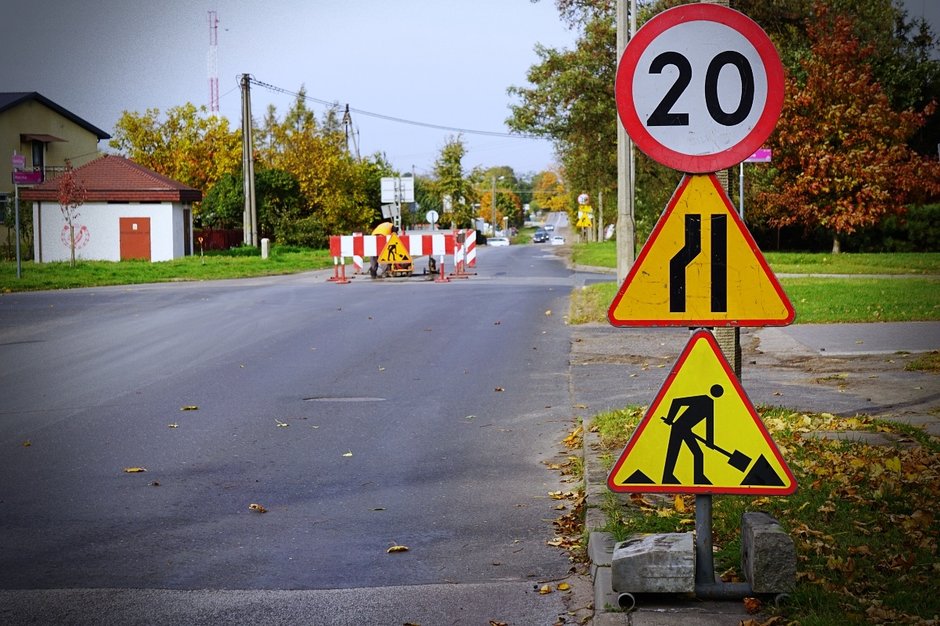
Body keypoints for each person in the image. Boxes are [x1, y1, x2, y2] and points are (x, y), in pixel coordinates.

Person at [660, 384, 724, 485]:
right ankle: (670, 477)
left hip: (685, 429)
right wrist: (670, 418)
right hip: (679, 428)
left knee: (694, 454)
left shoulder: (709, 403)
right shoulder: (703, 400)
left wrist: (709, 441)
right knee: (674, 452)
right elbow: (677, 402)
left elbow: (709, 424)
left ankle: (696, 478)